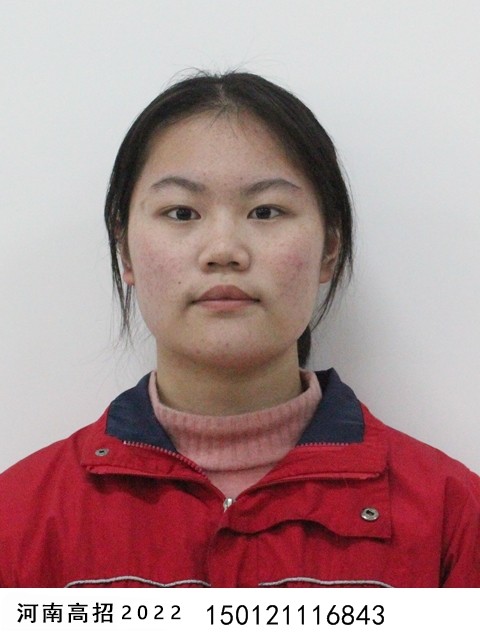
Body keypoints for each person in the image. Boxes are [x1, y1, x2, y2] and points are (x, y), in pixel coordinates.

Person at [0, 71, 479, 589]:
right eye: (181, 212)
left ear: (329, 249)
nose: (224, 250)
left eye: (266, 211)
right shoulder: (19, 518)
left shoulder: (452, 519)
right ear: (126, 253)